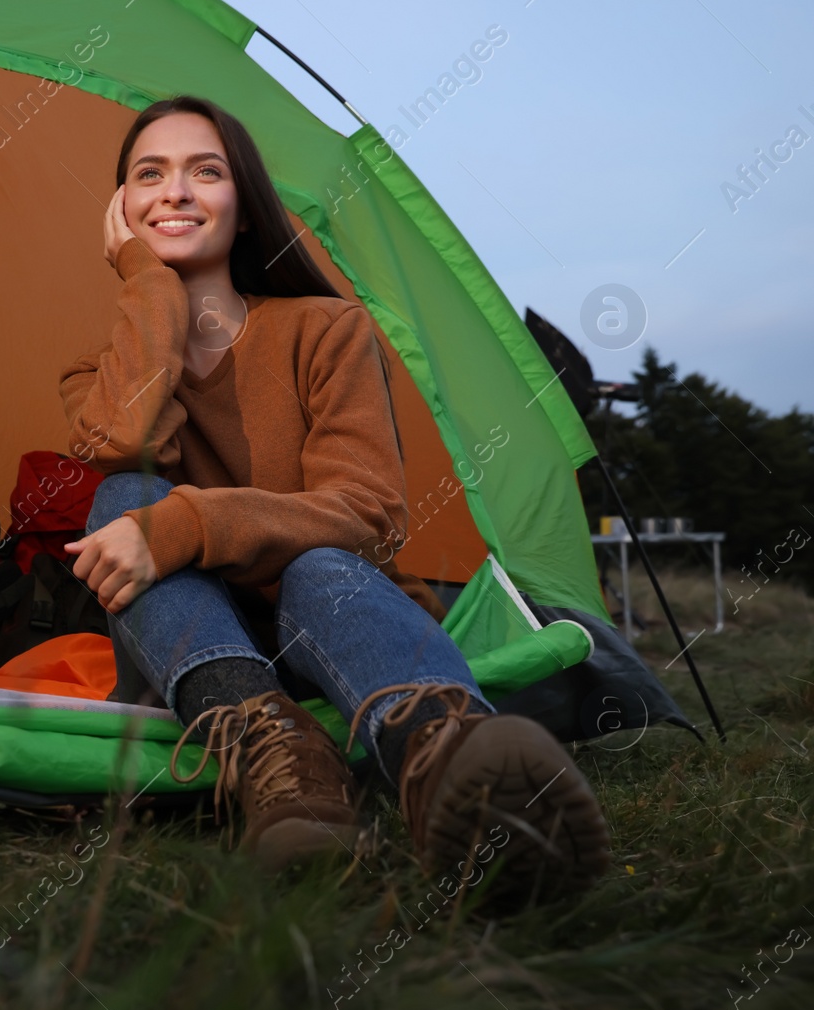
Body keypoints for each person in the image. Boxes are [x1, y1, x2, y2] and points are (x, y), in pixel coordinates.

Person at [59, 95, 609, 907]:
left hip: (331, 610)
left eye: (204, 172)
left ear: (243, 207)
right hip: (193, 639)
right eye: (150, 176)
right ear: (121, 210)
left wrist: (187, 524)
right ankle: (271, 749)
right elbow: (127, 438)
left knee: (320, 563)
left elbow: (366, 510)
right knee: (122, 493)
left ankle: (454, 762)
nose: (174, 191)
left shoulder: (326, 329)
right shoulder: (92, 375)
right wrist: (147, 285)